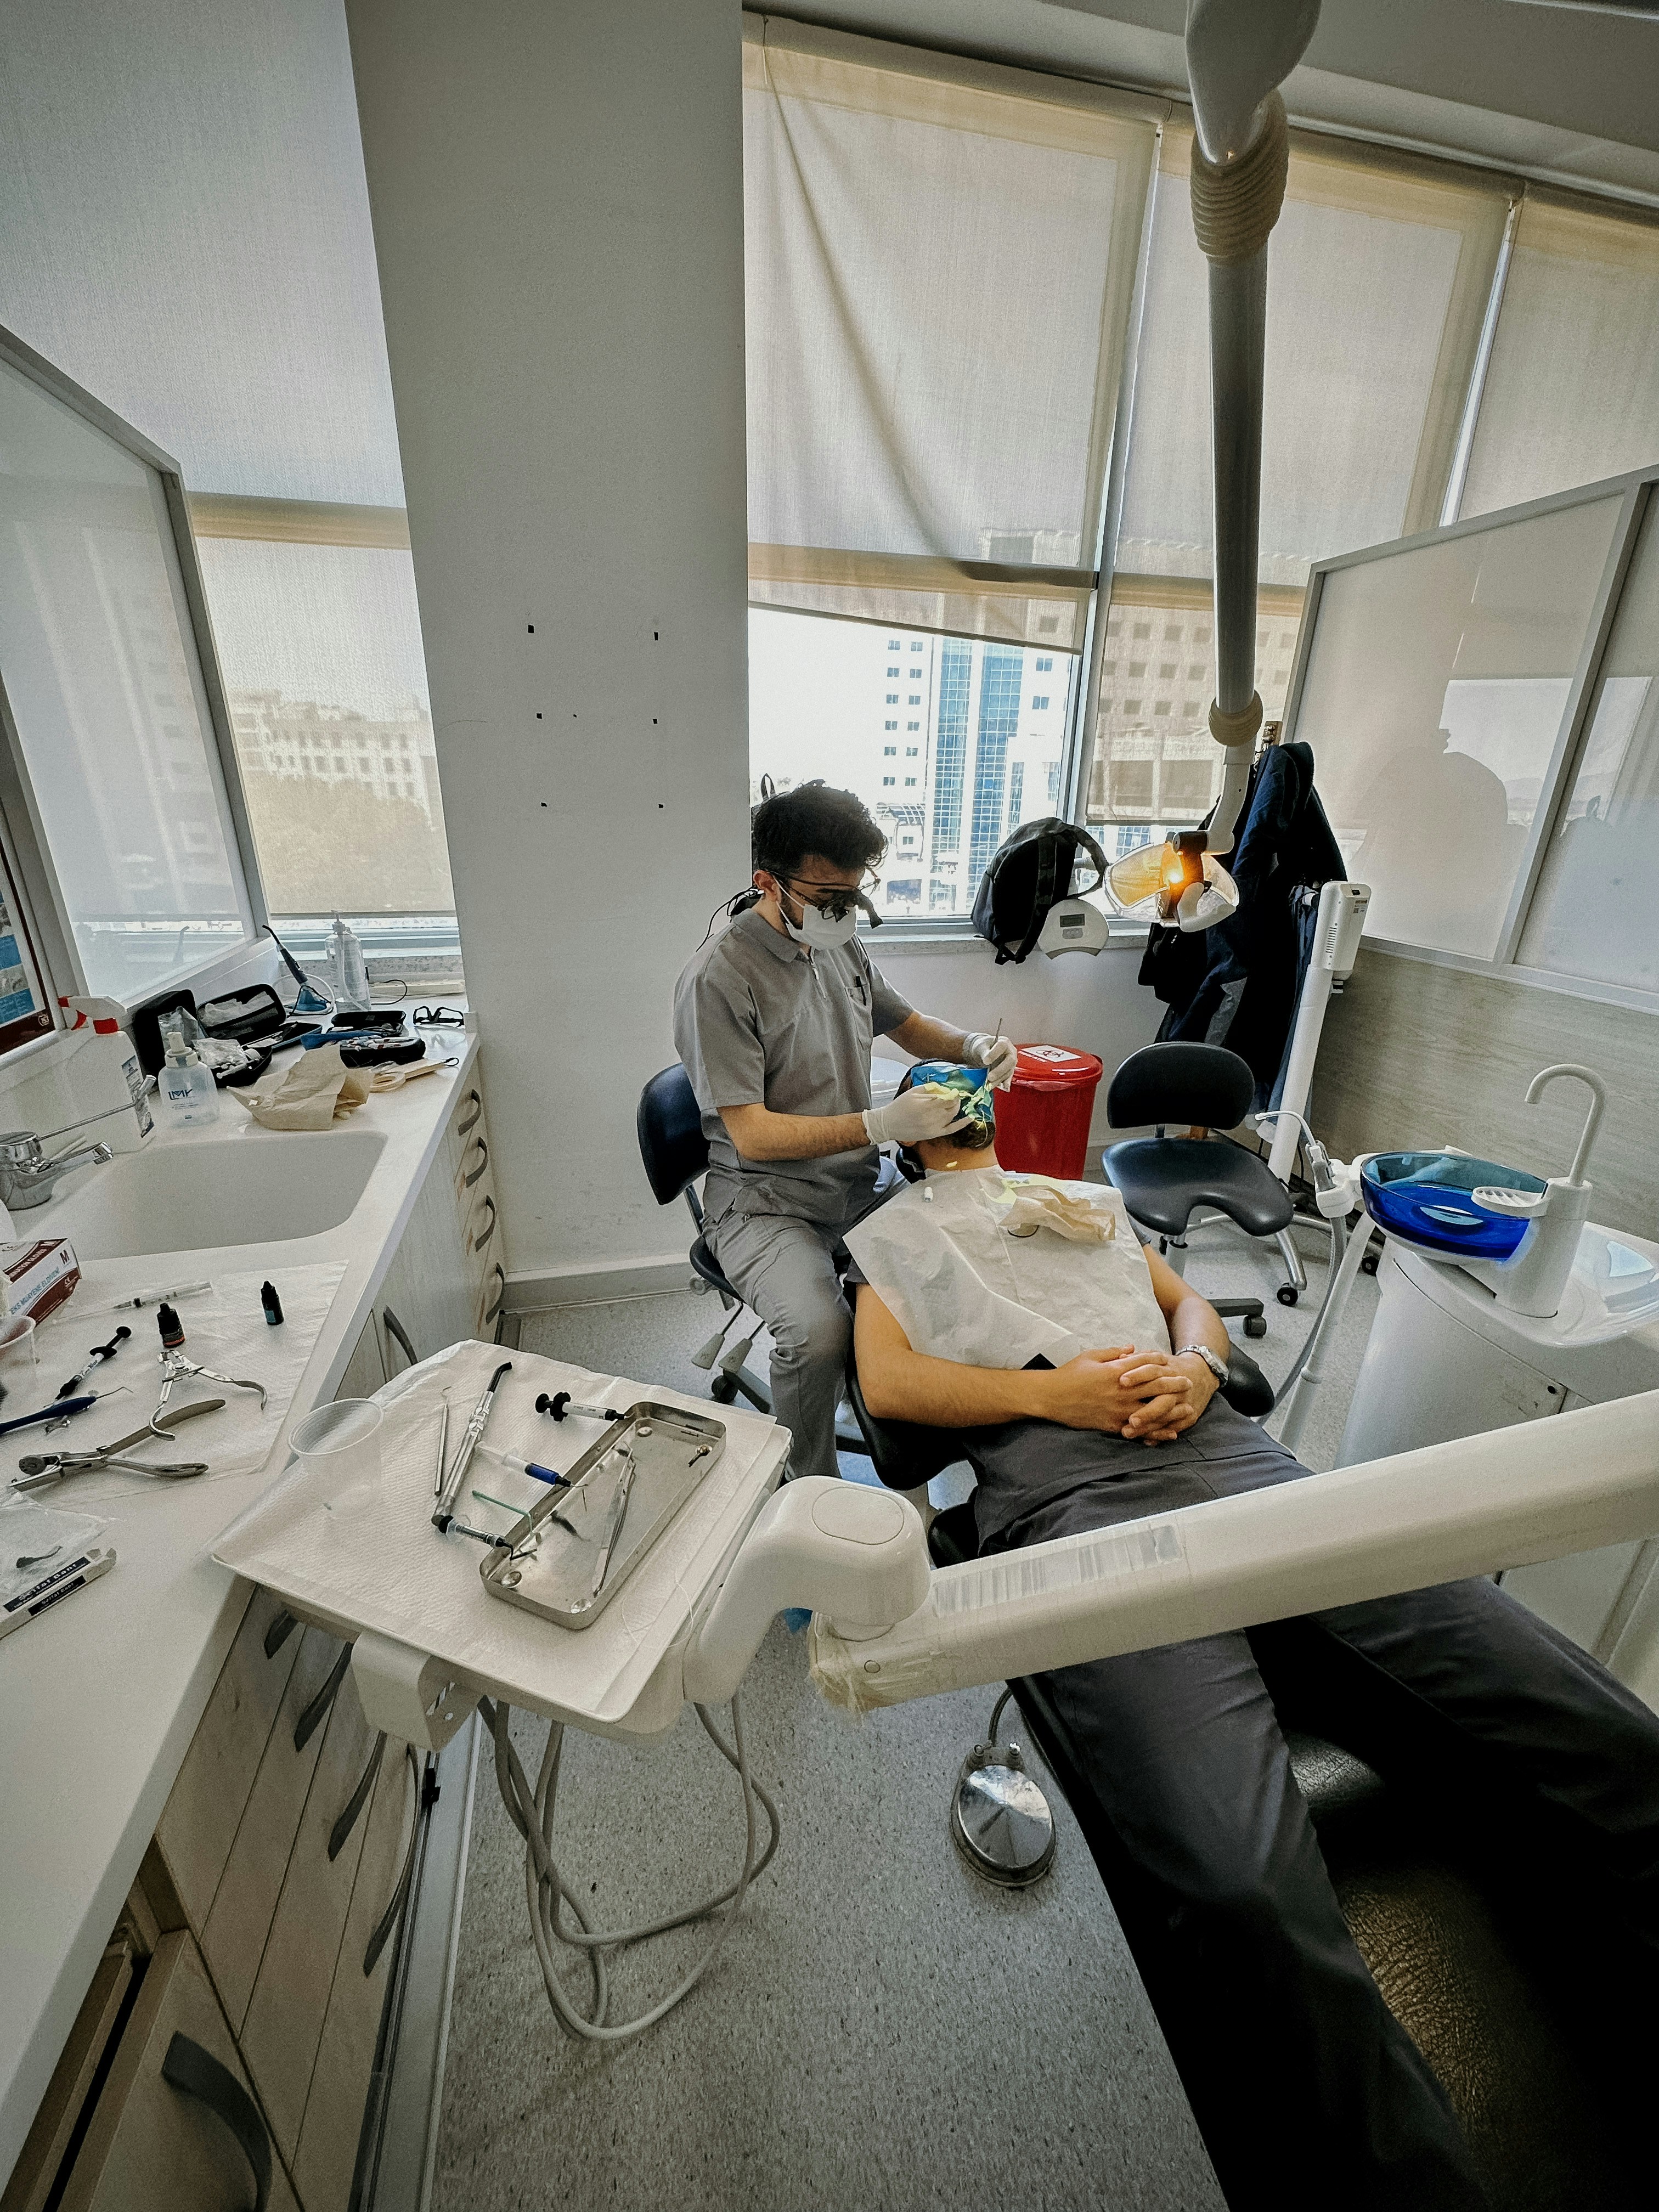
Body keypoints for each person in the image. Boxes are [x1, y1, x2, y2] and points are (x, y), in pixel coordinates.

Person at [845, 1075, 1659, 2212]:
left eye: (969, 1099)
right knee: (1245, 1888)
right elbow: (888, 1383)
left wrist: (1192, 1367)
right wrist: (1061, 1401)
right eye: (937, 1106)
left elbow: (1194, 1312)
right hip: (1079, 1504)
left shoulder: (1079, 1199)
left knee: (1593, 1722)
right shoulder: (893, 1237)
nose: (961, 1112)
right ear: (916, 1141)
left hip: (1237, 1463)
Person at [674, 782, 1017, 1482]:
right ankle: (808, 1492)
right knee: (818, 1334)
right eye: (828, 898)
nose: (843, 913)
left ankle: (949, 1436)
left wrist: (975, 1045)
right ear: (766, 882)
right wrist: (880, 1122)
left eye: (853, 897)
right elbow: (754, 1138)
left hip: (858, 1181)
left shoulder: (837, 946)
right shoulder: (720, 979)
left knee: (967, 1260)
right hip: (765, 1201)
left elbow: (909, 1025)